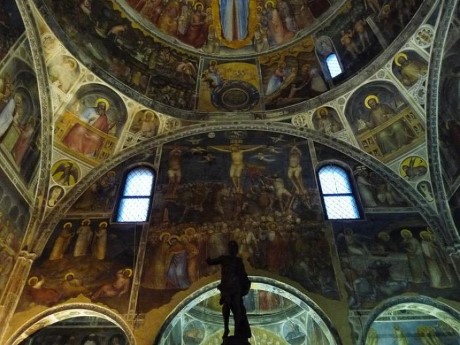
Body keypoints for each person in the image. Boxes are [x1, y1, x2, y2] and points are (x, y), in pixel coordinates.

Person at [207, 241, 251, 339]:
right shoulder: (224, 258)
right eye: (231, 247)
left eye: (234, 247)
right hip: (226, 286)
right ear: (229, 249)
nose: (233, 249)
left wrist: (246, 284)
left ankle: (237, 331)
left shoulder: (239, 261)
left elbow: (242, 274)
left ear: (236, 249)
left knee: (237, 308)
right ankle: (226, 329)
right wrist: (206, 250)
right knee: (226, 306)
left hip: (236, 287)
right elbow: (210, 262)